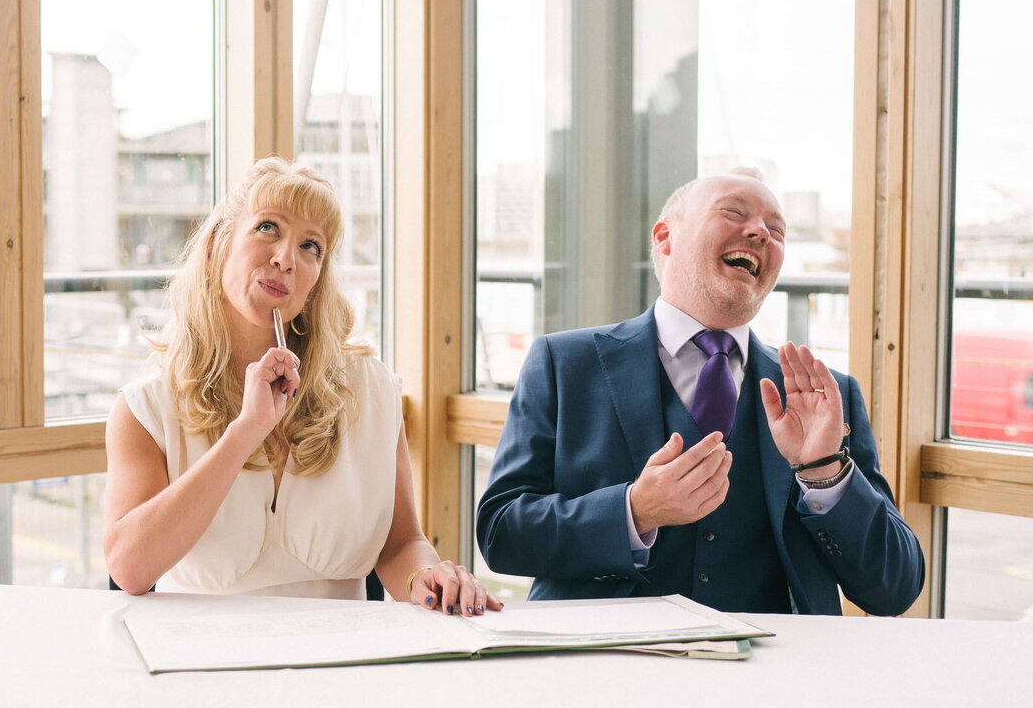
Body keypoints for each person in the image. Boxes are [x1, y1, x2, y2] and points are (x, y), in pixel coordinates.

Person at [476, 169, 924, 615]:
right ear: (665, 237)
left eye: (777, 230)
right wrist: (634, 511)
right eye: (734, 211)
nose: (760, 233)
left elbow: (894, 588)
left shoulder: (824, 396)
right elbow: (501, 533)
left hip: (774, 674)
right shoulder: (563, 364)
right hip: (605, 661)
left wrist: (824, 473)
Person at [104, 157, 500, 617]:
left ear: (316, 281)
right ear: (215, 249)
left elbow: (399, 545)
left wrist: (426, 578)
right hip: (203, 669)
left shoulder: (369, 391)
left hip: (341, 667)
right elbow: (130, 568)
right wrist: (245, 432)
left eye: (310, 246)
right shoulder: (145, 408)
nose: (286, 259)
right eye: (268, 228)